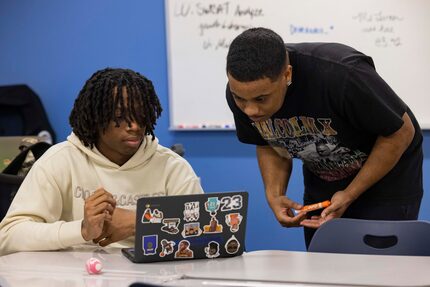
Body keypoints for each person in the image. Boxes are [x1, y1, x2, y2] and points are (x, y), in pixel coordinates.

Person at [225, 27, 423, 248]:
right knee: (324, 259)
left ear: (287, 75)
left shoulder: (343, 74)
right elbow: (268, 142)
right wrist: (274, 194)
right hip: (325, 176)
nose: (250, 110)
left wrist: (350, 194)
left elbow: (400, 132)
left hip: (385, 175)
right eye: (240, 99)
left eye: (261, 99)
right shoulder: (243, 94)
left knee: (379, 263)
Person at [0, 68, 204, 255]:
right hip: (73, 277)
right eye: (120, 116)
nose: (134, 126)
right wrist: (82, 229)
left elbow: (205, 235)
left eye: (141, 115)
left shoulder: (172, 168)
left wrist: (140, 221)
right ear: (95, 118)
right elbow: (8, 236)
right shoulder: (59, 161)